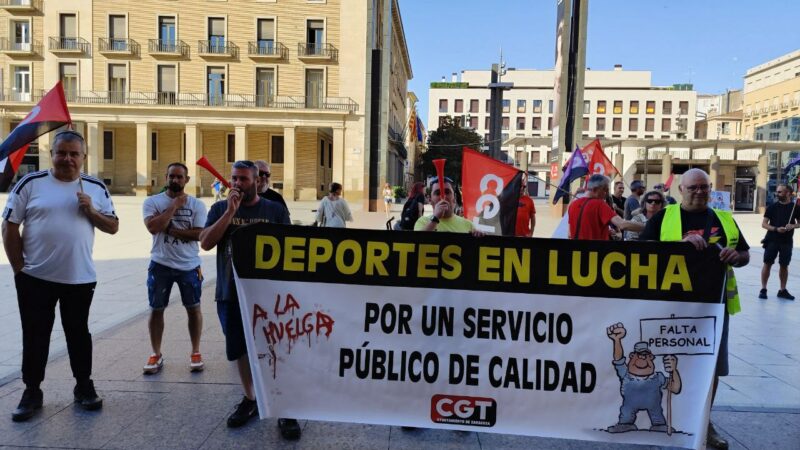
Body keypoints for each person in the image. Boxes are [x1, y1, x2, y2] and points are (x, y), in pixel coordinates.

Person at [2, 130, 118, 422]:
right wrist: (19, 270)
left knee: (78, 334)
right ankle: (32, 391)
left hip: (79, 278)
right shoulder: (31, 183)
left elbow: (113, 226)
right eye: (61, 152)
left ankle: (84, 387)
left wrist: (91, 210)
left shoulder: (94, 186)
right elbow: (9, 226)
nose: (67, 158)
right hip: (36, 278)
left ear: (83, 156)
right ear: (51, 154)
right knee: (35, 334)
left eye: (73, 153)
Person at [638, 168, 750, 450]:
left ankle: (703, 422)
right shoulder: (664, 217)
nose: (700, 192)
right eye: (693, 188)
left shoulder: (724, 219)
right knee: (663, 365)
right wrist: (679, 245)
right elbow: (641, 253)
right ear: (680, 190)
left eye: (705, 187)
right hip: (669, 307)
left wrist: (736, 256)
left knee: (710, 367)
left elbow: (745, 254)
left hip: (713, 310)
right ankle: (657, 419)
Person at [199, 160, 300, 438]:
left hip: (269, 296)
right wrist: (229, 214)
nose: (237, 184)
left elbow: (292, 249)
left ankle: (284, 406)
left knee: (278, 349)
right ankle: (251, 398)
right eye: (234, 178)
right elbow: (205, 242)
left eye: (243, 179)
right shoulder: (220, 208)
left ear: (257, 182)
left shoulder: (274, 210)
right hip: (231, 293)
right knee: (239, 349)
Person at [142, 163, 208, 375]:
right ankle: (156, 353)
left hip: (189, 265)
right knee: (156, 309)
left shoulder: (197, 205)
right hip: (160, 264)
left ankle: (195, 351)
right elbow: (153, 228)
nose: (175, 180)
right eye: (172, 176)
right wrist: (174, 207)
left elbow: (199, 234)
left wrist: (170, 229)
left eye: (180, 177)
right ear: (166, 177)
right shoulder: (152, 202)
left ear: (187, 179)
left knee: (194, 308)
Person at [606, 323, 680, 433]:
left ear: (651, 358)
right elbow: (618, 359)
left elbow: (675, 388)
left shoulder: (658, 377)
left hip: (653, 405)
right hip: (629, 405)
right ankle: (625, 424)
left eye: (645, 356)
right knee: (626, 413)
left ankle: (659, 425)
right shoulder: (625, 374)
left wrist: (674, 370)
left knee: (656, 413)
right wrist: (617, 340)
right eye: (638, 355)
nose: (642, 359)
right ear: (631, 356)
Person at [567, 175, 643, 240]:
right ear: (595, 189)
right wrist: (648, 227)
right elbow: (622, 224)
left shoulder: (573, 205)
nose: (606, 193)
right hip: (595, 253)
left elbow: (570, 234)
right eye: (605, 190)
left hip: (575, 253)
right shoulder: (599, 204)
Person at [759, 183, 799, 300]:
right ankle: (763, 289)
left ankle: (782, 290)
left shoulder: (795, 207)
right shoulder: (772, 207)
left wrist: (793, 225)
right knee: (768, 263)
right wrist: (776, 229)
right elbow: (764, 224)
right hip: (772, 240)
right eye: (777, 191)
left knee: (784, 265)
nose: (777, 194)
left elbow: (799, 223)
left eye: (780, 192)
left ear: (788, 193)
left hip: (787, 241)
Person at [414, 177, 483, 236]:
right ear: (430, 200)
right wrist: (435, 218)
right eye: (438, 193)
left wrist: (478, 238)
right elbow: (418, 241)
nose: (443, 197)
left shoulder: (469, 225)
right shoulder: (422, 222)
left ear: (454, 199)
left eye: (447, 192)